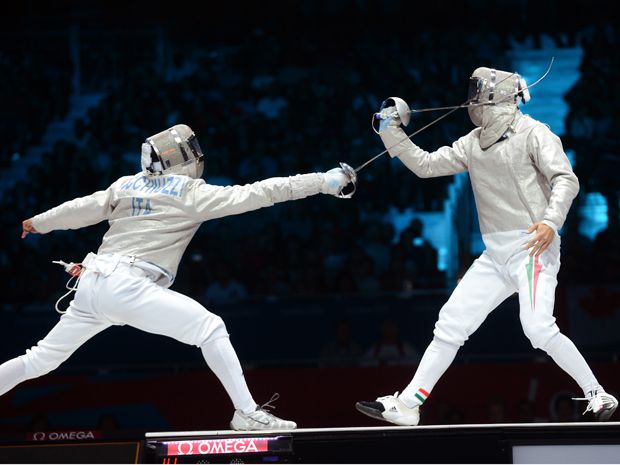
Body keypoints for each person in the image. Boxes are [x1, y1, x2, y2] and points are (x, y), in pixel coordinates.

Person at [1, 123, 350, 431]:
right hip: (127, 285)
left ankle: (247, 412)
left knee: (39, 359)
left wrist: (38, 222)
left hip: (92, 283)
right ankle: (246, 412)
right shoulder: (190, 192)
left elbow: (81, 208)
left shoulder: (126, 185)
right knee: (210, 328)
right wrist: (323, 181)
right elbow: (260, 192)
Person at [356, 66, 618, 426]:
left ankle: (597, 393)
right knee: (450, 323)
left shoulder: (534, 133)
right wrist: (390, 132)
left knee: (538, 328)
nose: (472, 98)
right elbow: (426, 165)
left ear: (498, 94)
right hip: (494, 254)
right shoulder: (472, 142)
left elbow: (565, 179)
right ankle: (408, 404)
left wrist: (550, 222)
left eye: (478, 90)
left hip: (532, 246)